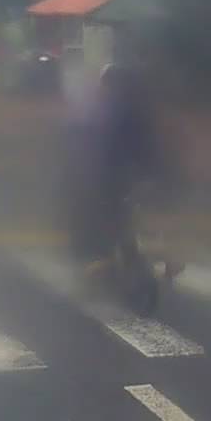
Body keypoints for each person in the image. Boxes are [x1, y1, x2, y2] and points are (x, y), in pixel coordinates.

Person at [61, 58, 183, 283]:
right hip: (145, 175)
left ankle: (103, 260)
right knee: (143, 217)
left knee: (103, 212)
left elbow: (96, 148)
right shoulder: (141, 108)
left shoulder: (106, 110)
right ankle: (165, 258)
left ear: (108, 84)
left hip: (121, 178)